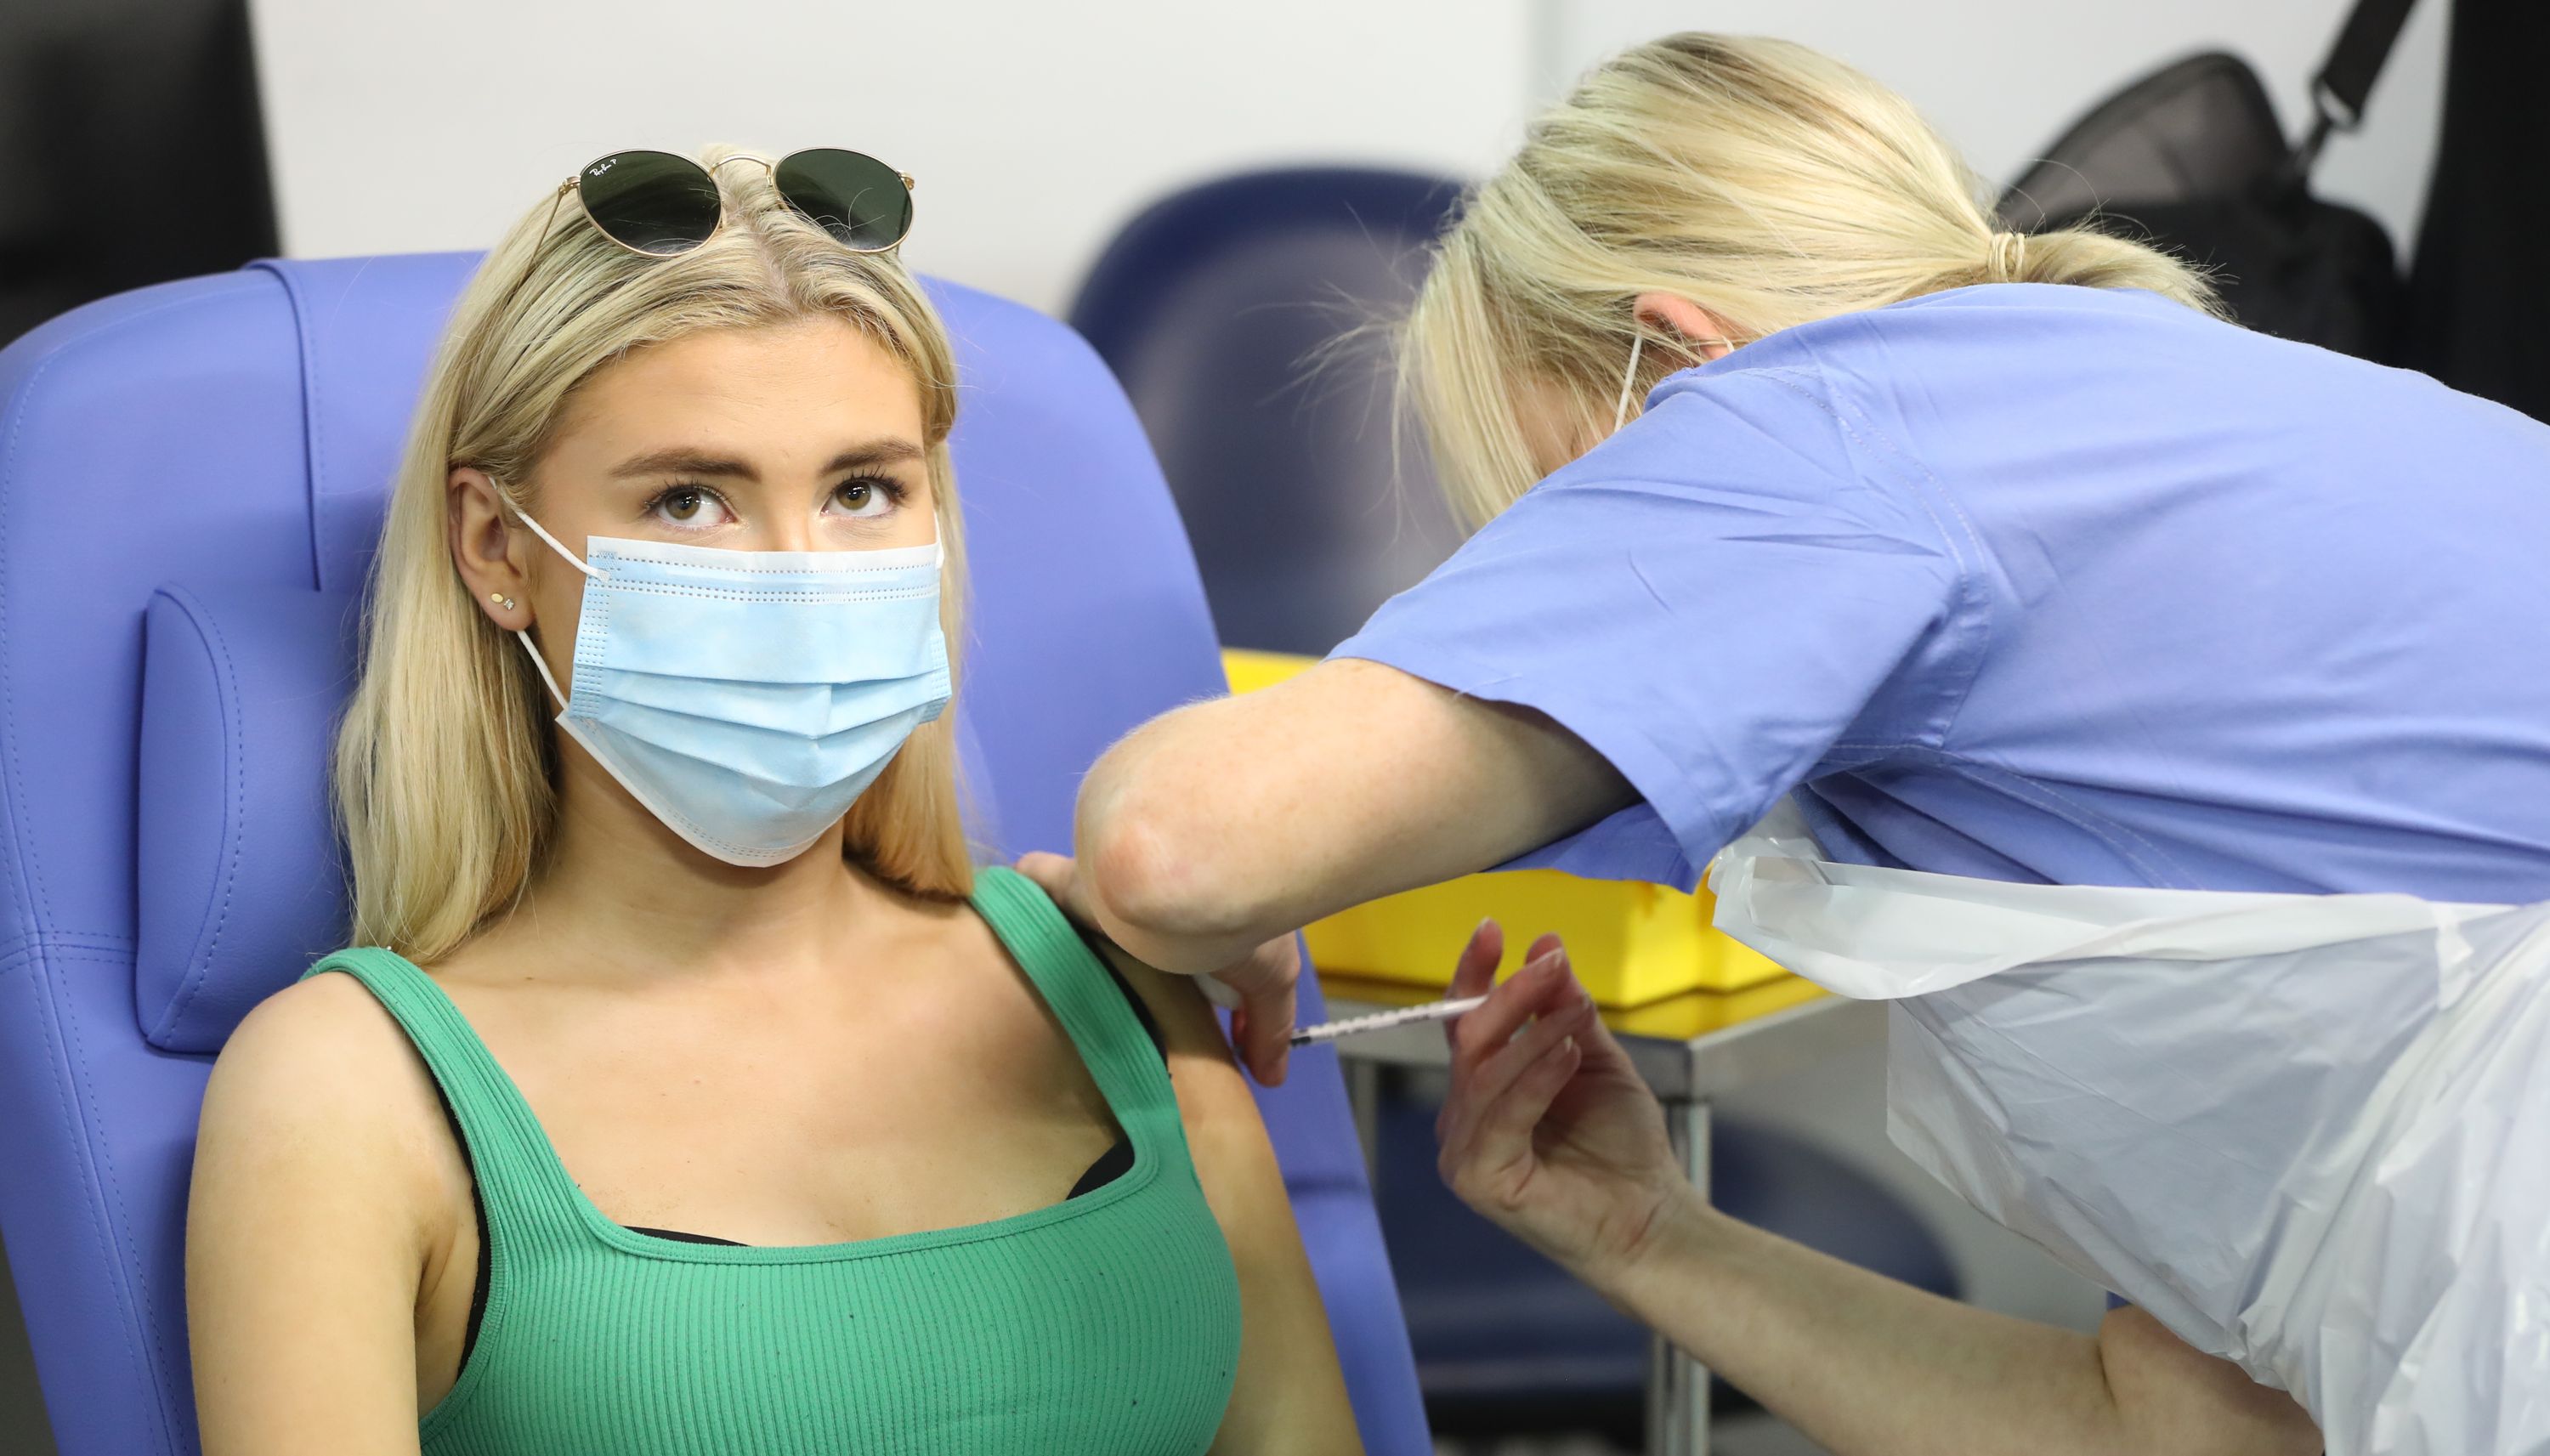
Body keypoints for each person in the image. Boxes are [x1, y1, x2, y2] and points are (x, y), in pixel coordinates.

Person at [1023, 31, 2550, 1456]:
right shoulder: (2189, 412)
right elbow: (2183, 1427)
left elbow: (1176, 847)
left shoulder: (1817, 420)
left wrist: (1240, 891)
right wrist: (1646, 1234)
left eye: (1563, 514)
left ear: (1675, 365)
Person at [185, 146, 1361, 1456]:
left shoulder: (1116, 987)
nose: (802, 576)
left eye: (863, 490)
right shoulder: (346, 1091)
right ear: (496, 545)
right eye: (692, 499)